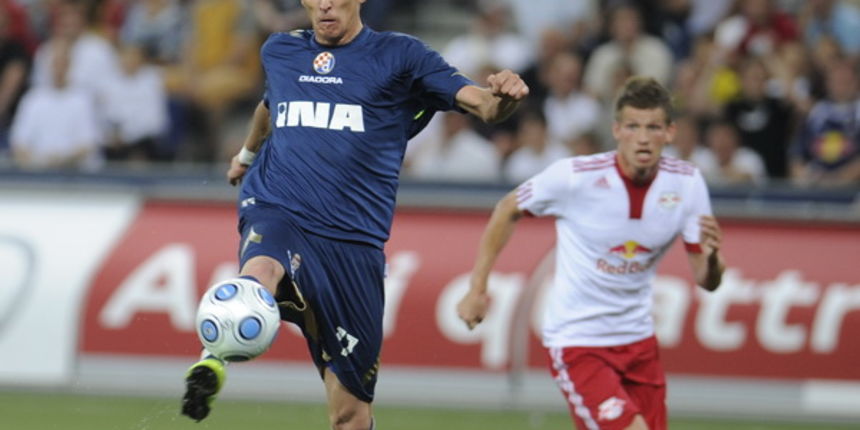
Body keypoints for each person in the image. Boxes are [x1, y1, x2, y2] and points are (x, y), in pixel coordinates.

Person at [179, 1, 529, 429]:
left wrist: (504, 95)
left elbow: (485, 107)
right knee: (262, 269)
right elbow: (270, 106)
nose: (326, 3)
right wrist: (247, 155)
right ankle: (215, 356)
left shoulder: (401, 56)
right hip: (279, 206)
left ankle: (225, 345)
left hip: (352, 245)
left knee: (350, 415)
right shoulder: (281, 50)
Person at [457, 76, 724, 430]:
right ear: (617, 130)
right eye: (633, 126)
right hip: (578, 342)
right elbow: (508, 208)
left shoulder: (687, 184)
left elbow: (706, 281)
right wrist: (477, 288)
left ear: (670, 132)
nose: (643, 137)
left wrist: (715, 258)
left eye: (653, 127)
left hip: (638, 342)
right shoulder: (576, 177)